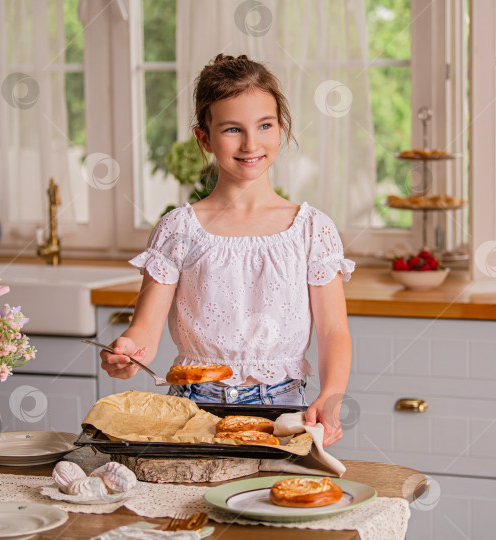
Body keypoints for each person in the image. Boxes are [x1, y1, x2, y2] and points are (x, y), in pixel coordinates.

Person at [100, 54, 354, 446]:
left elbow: (334, 330)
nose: (251, 143)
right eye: (233, 129)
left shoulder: (311, 229)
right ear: (204, 138)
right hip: (192, 410)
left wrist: (332, 394)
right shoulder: (178, 229)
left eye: (264, 126)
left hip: (284, 408)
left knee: (271, 502)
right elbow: (145, 328)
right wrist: (129, 352)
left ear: (281, 129)